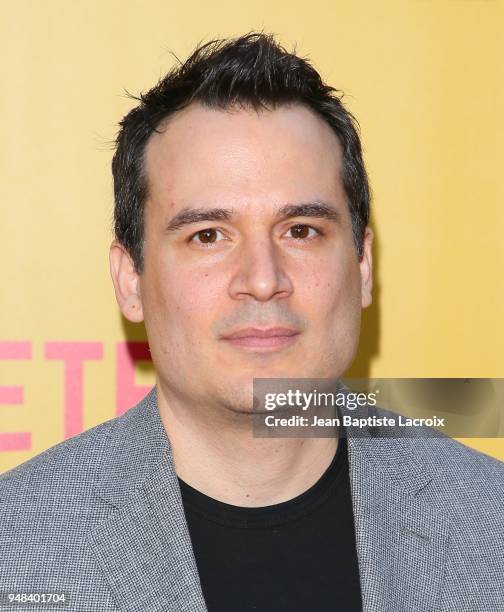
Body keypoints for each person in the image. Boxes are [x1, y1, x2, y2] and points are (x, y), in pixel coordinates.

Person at [1, 32, 502, 612]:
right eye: (208, 236)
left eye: (301, 231)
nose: (263, 279)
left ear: (363, 266)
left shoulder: (489, 522)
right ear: (130, 280)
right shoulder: (16, 544)